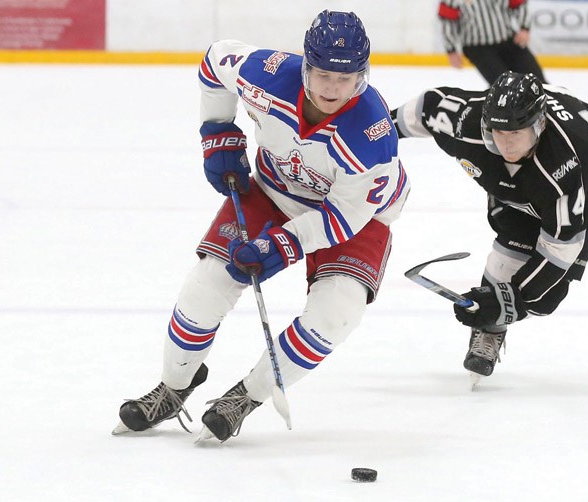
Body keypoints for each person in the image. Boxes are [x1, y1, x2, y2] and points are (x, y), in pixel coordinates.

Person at [113, 10, 409, 442]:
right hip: (271, 191)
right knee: (206, 286)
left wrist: (282, 246)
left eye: (345, 79)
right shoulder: (268, 74)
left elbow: (341, 218)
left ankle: (246, 397)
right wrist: (216, 130)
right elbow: (216, 61)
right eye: (324, 74)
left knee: (334, 316)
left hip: (356, 218)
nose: (333, 89)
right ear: (305, 64)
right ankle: (174, 387)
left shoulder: (374, 137)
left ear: (362, 75)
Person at [391, 71, 588, 382]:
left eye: (516, 134)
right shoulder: (466, 122)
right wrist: (375, 136)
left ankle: (497, 311)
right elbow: (426, 107)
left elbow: (560, 248)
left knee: (543, 299)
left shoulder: (563, 166)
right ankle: (489, 329)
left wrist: (513, 301)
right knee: (513, 238)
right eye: (498, 132)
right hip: (517, 183)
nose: (506, 143)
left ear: (539, 125)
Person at [438, 0, 547, 85]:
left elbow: (519, 4)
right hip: (477, 47)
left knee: (539, 82)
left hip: (509, 40)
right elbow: (448, 21)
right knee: (505, 86)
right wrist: (451, 49)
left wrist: (524, 28)